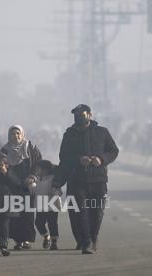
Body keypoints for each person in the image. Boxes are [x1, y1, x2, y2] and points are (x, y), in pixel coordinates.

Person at [53, 104, 119, 254]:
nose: (78, 118)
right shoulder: (69, 134)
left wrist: (101, 159)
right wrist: (78, 159)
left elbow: (113, 151)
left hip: (98, 180)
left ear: (89, 115)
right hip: (77, 180)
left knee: (97, 212)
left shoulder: (102, 132)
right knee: (79, 212)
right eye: (76, 115)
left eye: (82, 115)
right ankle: (86, 241)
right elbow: (63, 157)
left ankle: (92, 238)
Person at [0, 125, 41, 250]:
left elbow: (38, 163)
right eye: (13, 133)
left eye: (18, 133)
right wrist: (7, 174)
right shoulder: (5, 150)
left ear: (22, 134)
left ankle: (26, 239)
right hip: (11, 186)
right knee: (15, 215)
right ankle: (18, 240)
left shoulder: (31, 148)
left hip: (27, 186)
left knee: (27, 214)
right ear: (9, 135)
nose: (16, 136)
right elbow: (1, 166)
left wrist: (33, 176)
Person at [34, 160, 61, 250]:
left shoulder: (53, 178)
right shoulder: (37, 178)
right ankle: (46, 236)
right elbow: (34, 190)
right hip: (40, 205)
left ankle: (54, 241)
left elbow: (58, 189)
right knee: (38, 223)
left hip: (51, 205)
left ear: (44, 170)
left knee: (52, 224)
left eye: (38, 168)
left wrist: (56, 192)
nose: (36, 170)